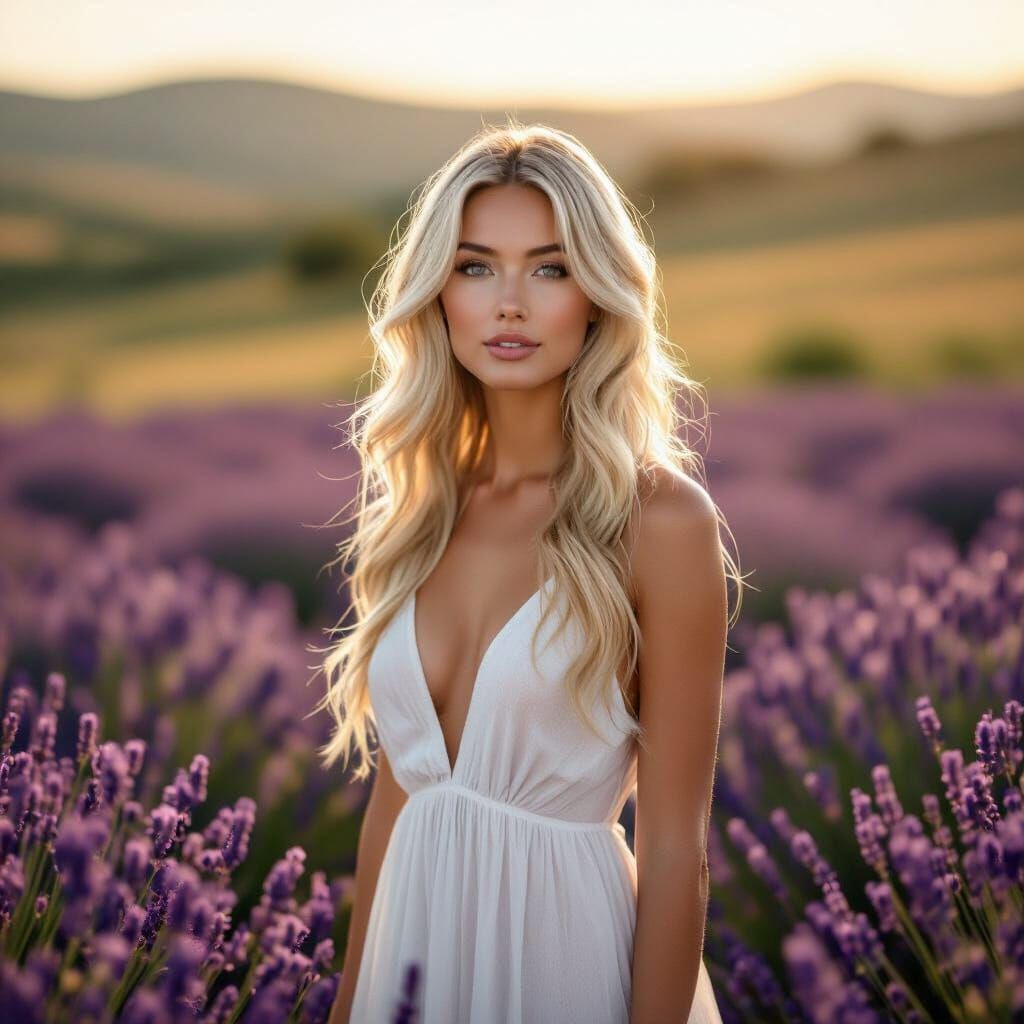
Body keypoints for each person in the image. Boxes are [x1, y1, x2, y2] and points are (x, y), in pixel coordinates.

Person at [313, 119, 742, 1023]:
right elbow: (396, 805)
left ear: (597, 295)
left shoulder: (660, 523)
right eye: (475, 267)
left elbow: (673, 848)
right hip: (411, 970)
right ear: (436, 294)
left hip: (565, 970)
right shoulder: (418, 511)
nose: (509, 302)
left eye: (548, 268)